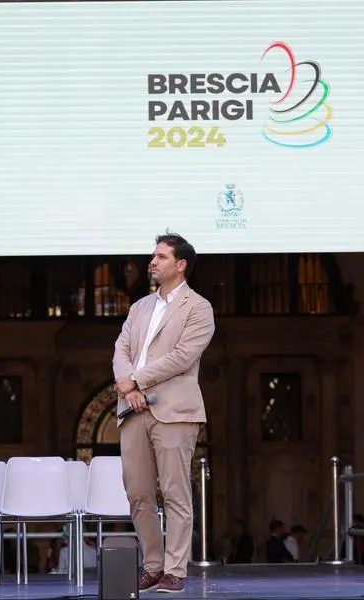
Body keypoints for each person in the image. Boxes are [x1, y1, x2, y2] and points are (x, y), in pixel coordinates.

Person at [112, 232, 215, 594]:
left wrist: (135, 380)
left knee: (175, 492)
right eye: (153, 257)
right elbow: (121, 349)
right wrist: (129, 385)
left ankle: (175, 569)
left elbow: (182, 358)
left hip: (175, 410)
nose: (152, 262)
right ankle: (153, 565)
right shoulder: (139, 307)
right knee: (138, 492)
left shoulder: (198, 308)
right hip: (132, 409)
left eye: (160, 257)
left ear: (180, 264)